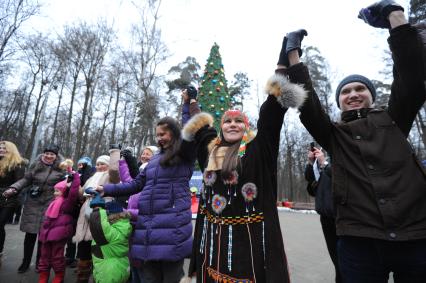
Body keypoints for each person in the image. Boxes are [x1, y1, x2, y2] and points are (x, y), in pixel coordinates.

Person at [278, 1, 426, 281]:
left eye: (360, 88)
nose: (354, 94)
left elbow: (412, 79)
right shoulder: (334, 135)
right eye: (346, 91)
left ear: (371, 95)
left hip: (415, 235)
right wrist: (293, 54)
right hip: (359, 241)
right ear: (339, 101)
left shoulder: (394, 119)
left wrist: (396, 18)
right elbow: (307, 107)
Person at [181, 71, 307, 281]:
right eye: (227, 121)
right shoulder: (211, 151)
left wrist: (285, 60)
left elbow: (271, 115)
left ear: (245, 126)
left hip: (249, 246)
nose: (232, 124)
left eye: (238, 121)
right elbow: (201, 126)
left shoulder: (257, 150)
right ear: (221, 127)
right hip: (213, 244)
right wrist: (192, 100)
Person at [96, 114, 201, 283]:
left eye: (163, 134)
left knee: (172, 277)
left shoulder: (184, 155)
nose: (159, 138)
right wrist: (106, 189)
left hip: (172, 227)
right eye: (157, 135)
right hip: (149, 228)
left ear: (174, 133)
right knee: (149, 278)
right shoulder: (154, 161)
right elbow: (136, 184)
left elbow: (191, 131)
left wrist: (188, 104)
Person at [3, 144, 65, 273]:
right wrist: (14, 188)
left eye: (52, 154)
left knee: (43, 236)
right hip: (33, 202)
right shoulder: (35, 165)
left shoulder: (61, 168)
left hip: (50, 203)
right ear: (43, 154)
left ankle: (39, 263)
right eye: (46, 153)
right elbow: (26, 180)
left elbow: (66, 184)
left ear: (56, 156)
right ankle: (25, 263)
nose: (48, 156)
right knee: (30, 235)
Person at [73, 150, 120, 283]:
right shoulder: (91, 177)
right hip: (85, 217)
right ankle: (81, 278)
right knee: (83, 253)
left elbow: (116, 174)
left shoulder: (111, 176)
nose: (99, 166)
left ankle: (97, 278)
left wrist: (115, 155)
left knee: (98, 253)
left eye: (103, 164)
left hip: (102, 215)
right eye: (98, 164)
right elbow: (80, 194)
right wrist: (74, 181)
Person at [38, 160, 80, 283]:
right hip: (46, 233)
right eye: (55, 190)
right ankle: (43, 274)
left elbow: (73, 191)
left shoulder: (67, 203)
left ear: (64, 192)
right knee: (44, 255)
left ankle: (59, 275)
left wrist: (73, 173)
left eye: (58, 191)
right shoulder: (53, 203)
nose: (55, 193)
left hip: (58, 234)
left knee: (57, 256)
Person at [304, 146, 341, 283]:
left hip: (343, 218)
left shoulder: (341, 158)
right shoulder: (322, 163)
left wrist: (324, 164)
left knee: (344, 262)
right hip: (326, 219)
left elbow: (341, 179)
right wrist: (310, 162)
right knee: (337, 261)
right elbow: (311, 184)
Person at [89, 200, 132, 283]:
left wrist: (98, 209)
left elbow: (98, 224)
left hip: (109, 272)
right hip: (118, 268)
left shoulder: (113, 232)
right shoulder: (121, 227)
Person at [0, 141, 27, 268]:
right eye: (0, 147)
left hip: (9, 199)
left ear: (11, 149)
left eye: (4, 148)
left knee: (0, 225)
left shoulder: (18, 164)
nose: (1, 149)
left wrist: (11, 191)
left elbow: (20, 183)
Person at [65, 156, 95, 268]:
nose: (81, 165)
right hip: (75, 206)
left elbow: (86, 186)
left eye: (83, 164)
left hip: (84, 206)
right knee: (71, 232)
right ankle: (69, 256)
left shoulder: (91, 174)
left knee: (83, 232)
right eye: (80, 163)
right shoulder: (76, 173)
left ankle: (80, 257)